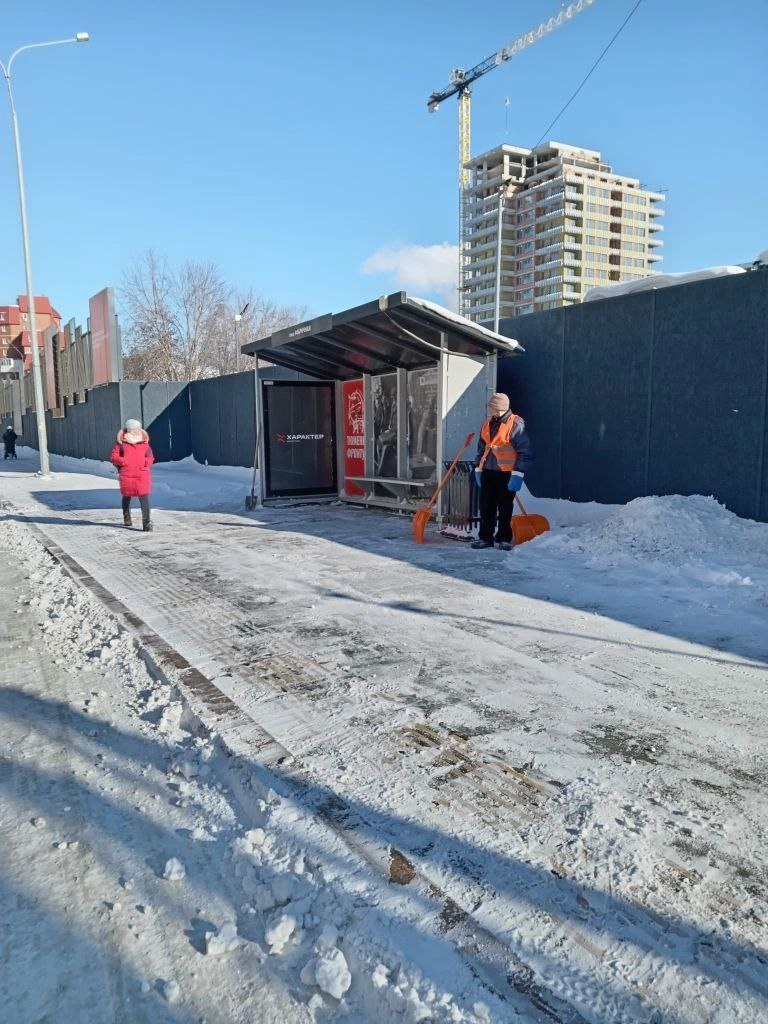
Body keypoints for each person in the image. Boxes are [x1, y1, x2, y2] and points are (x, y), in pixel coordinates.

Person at [471, 393, 533, 551]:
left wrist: (518, 474)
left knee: (505, 508)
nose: (489, 409)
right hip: (488, 472)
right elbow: (482, 448)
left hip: (507, 473)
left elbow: (524, 452)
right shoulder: (487, 423)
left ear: (498, 408)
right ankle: (485, 538)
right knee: (486, 507)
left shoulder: (515, 424)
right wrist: (478, 467)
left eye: (491, 406)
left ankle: (504, 538)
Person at [110, 418, 155, 532]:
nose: (136, 431)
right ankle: (127, 517)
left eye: (137, 429)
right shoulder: (121, 444)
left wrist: (146, 463)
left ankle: (147, 523)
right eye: (133, 429)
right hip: (127, 474)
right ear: (128, 430)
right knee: (127, 496)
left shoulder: (145, 443)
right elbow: (113, 457)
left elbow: (151, 457)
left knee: (144, 497)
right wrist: (123, 461)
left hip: (142, 474)